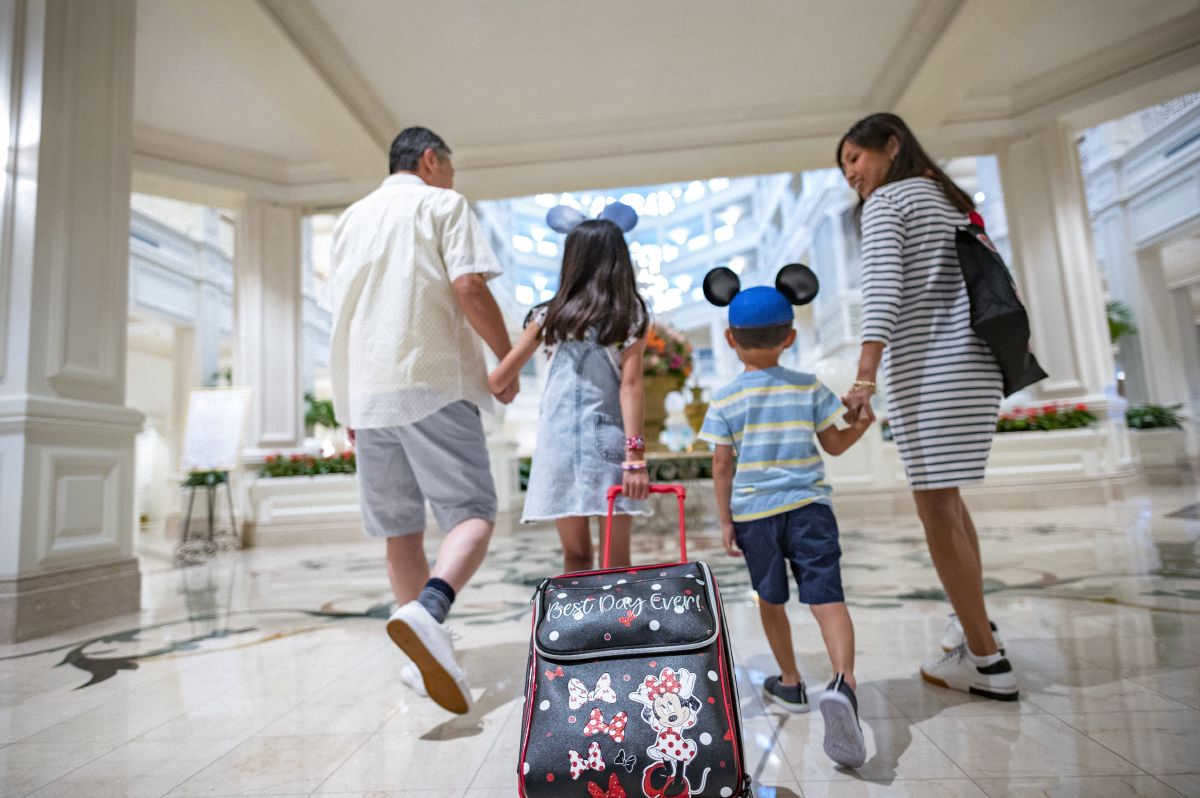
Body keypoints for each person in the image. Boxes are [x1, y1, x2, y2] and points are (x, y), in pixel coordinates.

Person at [328, 127, 517, 714]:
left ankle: (421, 661)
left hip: (368, 393)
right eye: (451, 169)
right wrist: (504, 358)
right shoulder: (443, 203)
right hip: (431, 381)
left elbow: (340, 309)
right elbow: (467, 284)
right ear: (430, 161)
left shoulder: (350, 218)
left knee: (401, 529)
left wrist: (346, 401)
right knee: (474, 515)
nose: (454, 180)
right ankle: (430, 609)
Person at [837, 112, 1018, 701]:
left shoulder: (889, 204)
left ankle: (987, 664)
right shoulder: (943, 197)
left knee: (936, 507)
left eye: (855, 160)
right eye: (844, 169)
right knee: (948, 502)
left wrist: (864, 380)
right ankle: (975, 626)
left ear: (891, 145)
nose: (851, 176)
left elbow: (883, 291)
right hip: (974, 361)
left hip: (933, 369)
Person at [699, 277, 873, 769]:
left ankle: (792, 683)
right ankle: (843, 680)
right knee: (827, 596)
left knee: (770, 599)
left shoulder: (727, 399)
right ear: (790, 337)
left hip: (756, 514)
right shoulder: (808, 387)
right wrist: (859, 424)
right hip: (810, 509)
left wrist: (727, 519)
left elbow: (721, 465)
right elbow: (834, 444)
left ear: (731, 340)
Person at [488, 216, 650, 572]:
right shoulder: (629, 314)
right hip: (609, 442)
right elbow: (631, 385)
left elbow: (499, 379)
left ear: (572, 261)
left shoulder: (548, 316)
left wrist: (503, 388)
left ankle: (580, 629)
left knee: (575, 557)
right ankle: (616, 628)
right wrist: (635, 455)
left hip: (557, 445)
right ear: (617, 261)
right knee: (616, 560)